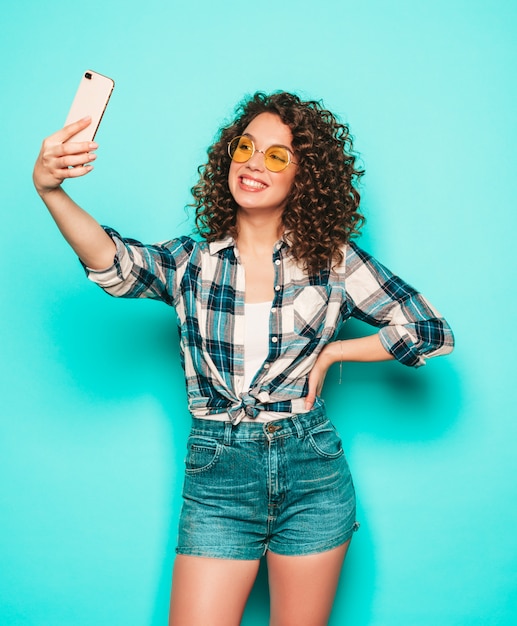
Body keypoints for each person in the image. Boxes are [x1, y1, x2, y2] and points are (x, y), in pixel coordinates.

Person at [33, 91, 454, 626]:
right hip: (219, 474)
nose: (255, 162)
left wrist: (331, 354)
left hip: (313, 471)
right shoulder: (191, 262)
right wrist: (49, 189)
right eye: (246, 146)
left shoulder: (334, 262)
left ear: (305, 178)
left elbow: (429, 330)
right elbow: (114, 264)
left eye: (277, 155)